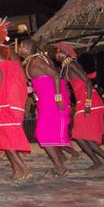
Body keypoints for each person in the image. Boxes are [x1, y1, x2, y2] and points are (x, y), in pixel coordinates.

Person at [55, 42, 104, 169]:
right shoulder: (67, 67)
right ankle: (97, 161)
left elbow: (88, 83)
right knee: (78, 135)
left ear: (65, 53)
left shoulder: (72, 65)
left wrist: (88, 104)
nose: (56, 54)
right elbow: (61, 82)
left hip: (89, 102)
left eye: (58, 51)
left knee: (82, 135)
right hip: (83, 102)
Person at [0, 18, 31, 181]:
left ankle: (23, 168)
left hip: (7, 94)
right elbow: (22, 76)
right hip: (18, 95)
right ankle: (17, 170)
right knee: (9, 131)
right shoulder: (12, 52)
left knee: (5, 133)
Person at [19, 39, 70, 176]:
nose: (19, 48)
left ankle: (60, 167)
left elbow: (55, 76)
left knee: (42, 134)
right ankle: (60, 161)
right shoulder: (30, 62)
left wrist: (58, 98)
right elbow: (39, 82)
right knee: (46, 133)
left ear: (28, 48)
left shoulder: (36, 61)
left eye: (22, 45)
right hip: (44, 101)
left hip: (52, 100)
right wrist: (32, 92)